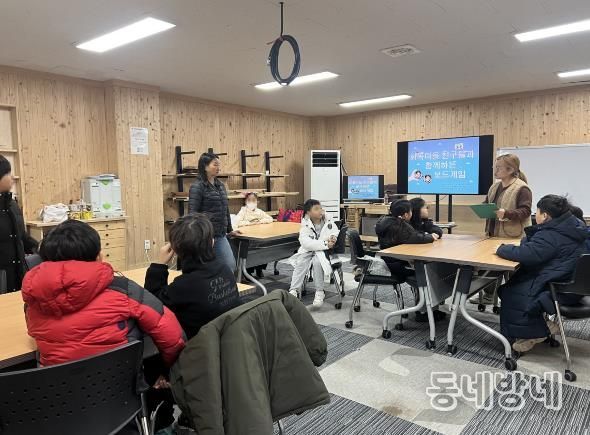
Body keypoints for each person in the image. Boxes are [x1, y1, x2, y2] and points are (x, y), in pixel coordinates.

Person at [21, 219, 185, 367]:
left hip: (58, 388)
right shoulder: (123, 289)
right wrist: (169, 370)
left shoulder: (34, 299)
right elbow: (171, 334)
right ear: (98, 256)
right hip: (121, 384)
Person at [496, 195, 588, 353]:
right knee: (517, 284)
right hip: (575, 287)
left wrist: (501, 248)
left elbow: (527, 254)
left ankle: (535, 332)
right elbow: (535, 249)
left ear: (545, 215)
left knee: (512, 289)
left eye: (536, 211)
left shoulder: (551, 235)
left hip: (558, 289)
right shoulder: (574, 227)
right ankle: (536, 328)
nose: (535, 214)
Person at [144, 213, 241, 340]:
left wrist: (159, 265)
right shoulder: (225, 270)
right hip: (229, 342)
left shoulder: (184, 286)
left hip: (199, 348)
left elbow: (152, 304)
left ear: (175, 249)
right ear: (212, 242)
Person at [473, 154, 533, 306]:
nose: (495, 170)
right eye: (495, 167)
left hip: (513, 237)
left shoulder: (522, 188)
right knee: (490, 266)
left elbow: (525, 211)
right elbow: (487, 203)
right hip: (492, 234)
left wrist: (506, 213)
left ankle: (515, 300)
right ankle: (488, 295)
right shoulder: (494, 186)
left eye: (499, 168)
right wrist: (482, 208)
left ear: (510, 170)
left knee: (513, 270)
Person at [376, 199, 446, 322]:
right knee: (429, 273)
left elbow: (422, 234)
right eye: (425, 207)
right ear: (407, 214)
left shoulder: (392, 222)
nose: (427, 210)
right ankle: (423, 311)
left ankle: (428, 308)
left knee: (431, 269)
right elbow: (415, 237)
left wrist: (428, 228)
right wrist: (430, 237)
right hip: (397, 264)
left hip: (397, 260)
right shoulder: (398, 226)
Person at [188, 152, 240, 273]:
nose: (218, 168)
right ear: (205, 167)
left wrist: (229, 229)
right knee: (206, 268)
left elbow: (225, 208)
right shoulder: (197, 186)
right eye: (215, 164)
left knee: (230, 265)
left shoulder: (220, 185)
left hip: (220, 234)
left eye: (219, 165)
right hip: (205, 236)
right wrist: (198, 235)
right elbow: (192, 214)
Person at [288, 199, 339, 307]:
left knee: (317, 261)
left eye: (320, 208)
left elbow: (335, 231)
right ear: (308, 212)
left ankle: (320, 291)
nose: (320, 211)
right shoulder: (305, 224)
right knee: (301, 261)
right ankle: (294, 290)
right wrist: (325, 243)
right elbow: (306, 243)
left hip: (324, 251)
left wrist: (333, 238)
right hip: (310, 250)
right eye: (316, 209)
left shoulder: (328, 220)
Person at [0, 155, 38, 292]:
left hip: (19, 276)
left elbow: (21, 237)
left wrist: (42, 247)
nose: (12, 177)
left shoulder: (12, 204)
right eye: (8, 173)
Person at [235, 192, 274, 278]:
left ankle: (259, 268)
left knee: (263, 249)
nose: (251, 202)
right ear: (245, 201)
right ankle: (248, 271)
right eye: (249, 200)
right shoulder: (243, 211)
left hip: (258, 235)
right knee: (250, 253)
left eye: (253, 200)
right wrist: (249, 223)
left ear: (257, 202)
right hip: (248, 237)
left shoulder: (259, 211)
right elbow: (237, 222)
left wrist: (260, 221)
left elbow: (270, 218)